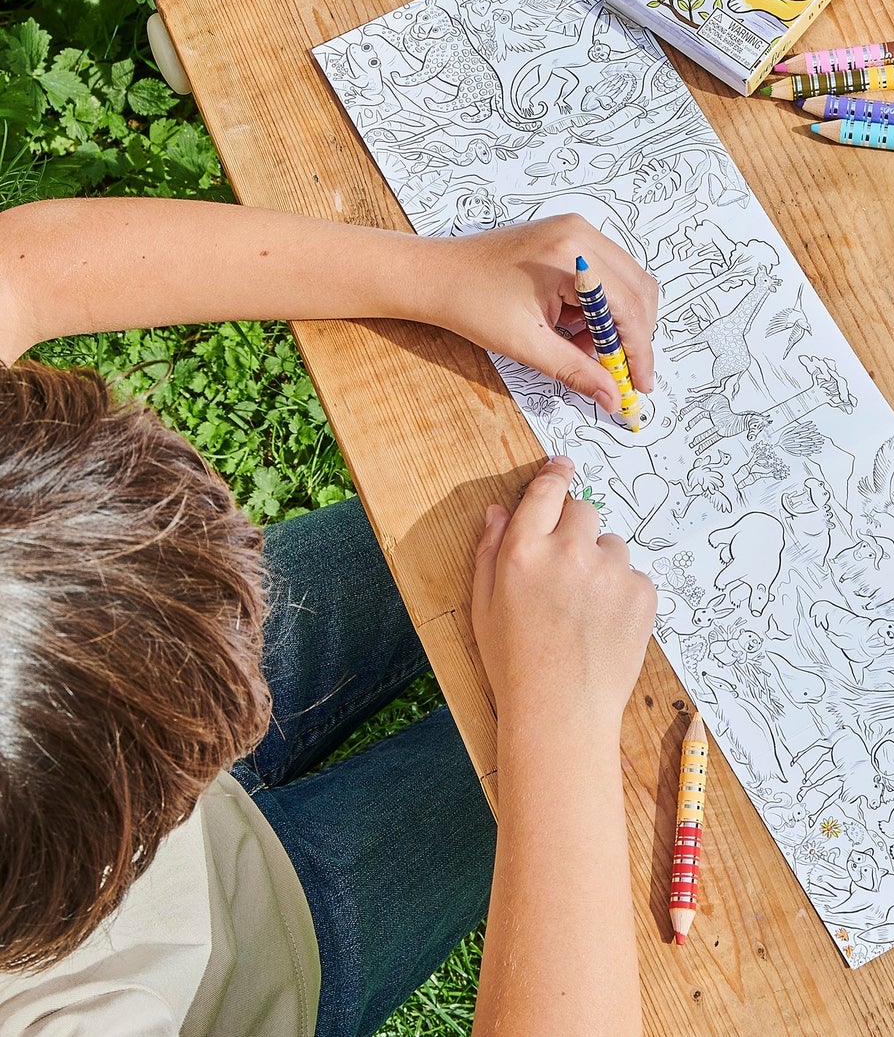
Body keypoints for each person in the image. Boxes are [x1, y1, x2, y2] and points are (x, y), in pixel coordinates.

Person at [0, 196, 658, 1037]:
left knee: (528, 548)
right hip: (273, 955)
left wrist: (438, 272)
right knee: (616, 738)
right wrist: (560, 722)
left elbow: (24, 264)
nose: (247, 703)